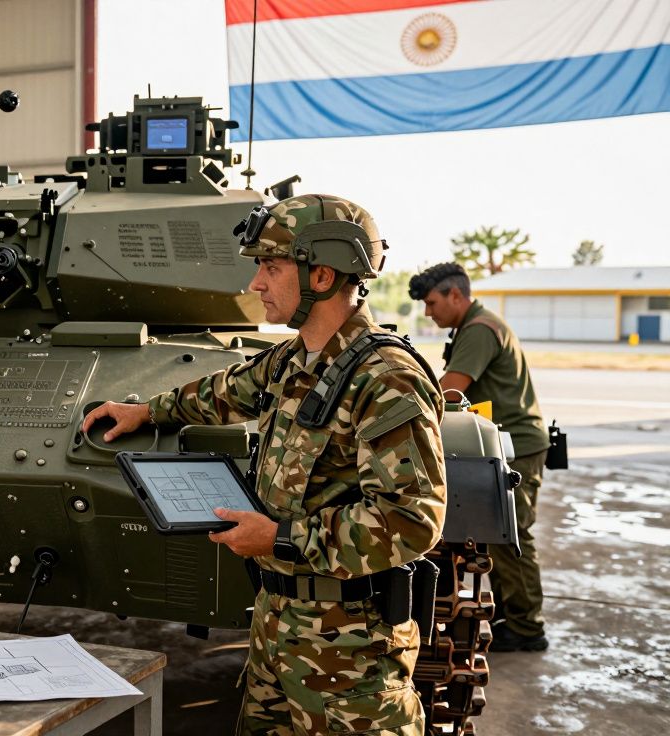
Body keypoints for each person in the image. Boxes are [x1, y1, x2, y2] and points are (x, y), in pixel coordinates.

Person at [83, 195, 446, 735]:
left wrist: (279, 538)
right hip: (277, 629)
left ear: (320, 275)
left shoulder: (386, 379)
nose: (256, 285)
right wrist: (145, 411)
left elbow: (414, 521)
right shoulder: (295, 358)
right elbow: (224, 391)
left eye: (270, 268)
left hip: (350, 653)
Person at [409, 262, 549, 652]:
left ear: (456, 295)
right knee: (502, 537)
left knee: (512, 538)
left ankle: (526, 627)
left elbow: (449, 391)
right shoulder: (478, 324)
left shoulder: (478, 330)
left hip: (515, 447)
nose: (428, 312)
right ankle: (511, 617)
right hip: (508, 444)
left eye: (432, 302)